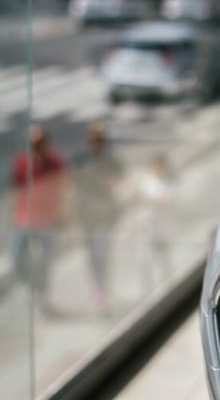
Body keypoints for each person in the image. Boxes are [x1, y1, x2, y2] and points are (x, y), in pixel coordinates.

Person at [11, 124, 68, 314]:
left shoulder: (54, 161)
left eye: (38, 144)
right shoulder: (22, 162)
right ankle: (33, 287)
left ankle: (43, 296)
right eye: (31, 144)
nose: (35, 148)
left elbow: (64, 186)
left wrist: (62, 212)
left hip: (47, 219)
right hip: (25, 218)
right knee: (17, 258)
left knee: (45, 260)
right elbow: (16, 189)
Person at [72, 120, 124, 312]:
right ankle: (98, 288)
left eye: (100, 140)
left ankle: (103, 289)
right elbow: (74, 185)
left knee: (103, 253)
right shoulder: (81, 159)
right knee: (92, 254)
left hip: (104, 214)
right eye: (94, 140)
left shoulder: (111, 161)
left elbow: (118, 184)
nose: (96, 144)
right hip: (88, 214)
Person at [129, 154, 174, 293]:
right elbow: (136, 202)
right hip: (145, 225)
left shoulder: (167, 183)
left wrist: (146, 198)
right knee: (144, 258)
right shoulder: (145, 181)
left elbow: (164, 202)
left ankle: (167, 284)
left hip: (160, 225)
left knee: (162, 257)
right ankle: (147, 289)